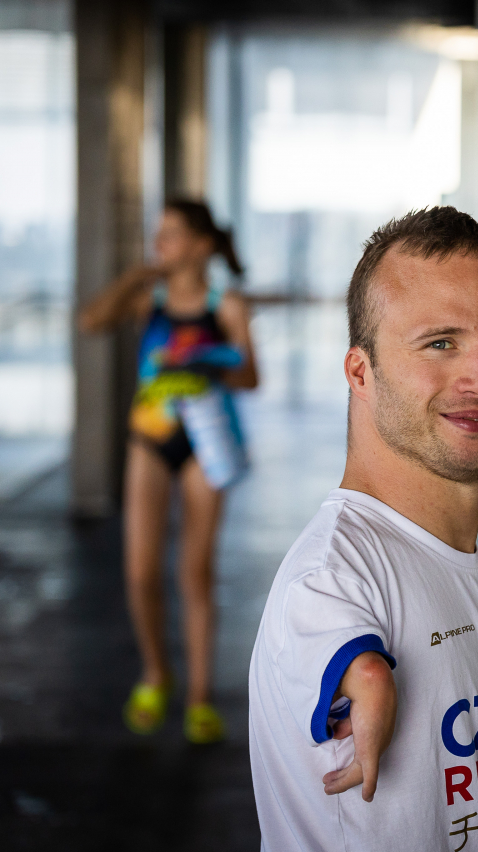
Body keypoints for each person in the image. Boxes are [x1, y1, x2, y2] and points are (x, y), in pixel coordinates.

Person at [248, 207, 478, 851]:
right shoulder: (334, 571)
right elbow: (336, 641)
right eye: (441, 343)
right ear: (360, 372)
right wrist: (364, 676)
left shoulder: (444, 554)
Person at [79, 199, 258, 744]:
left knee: (195, 573)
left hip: (204, 442)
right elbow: (91, 321)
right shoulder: (148, 299)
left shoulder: (225, 304)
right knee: (139, 572)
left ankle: (200, 697)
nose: (161, 242)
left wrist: (207, 362)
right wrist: (139, 273)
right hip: (150, 440)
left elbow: (251, 377)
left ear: (201, 245)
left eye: (173, 233)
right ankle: (156, 673)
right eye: (158, 233)